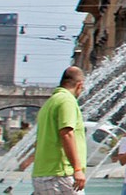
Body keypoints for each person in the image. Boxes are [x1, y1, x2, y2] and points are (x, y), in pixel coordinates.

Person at [32, 66, 88, 194]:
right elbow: (67, 134)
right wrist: (77, 169)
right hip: (60, 174)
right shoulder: (67, 101)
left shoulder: (50, 103)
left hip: (43, 173)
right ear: (79, 85)